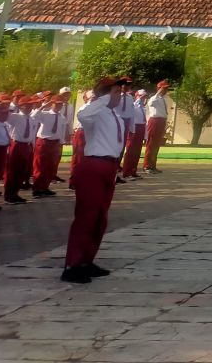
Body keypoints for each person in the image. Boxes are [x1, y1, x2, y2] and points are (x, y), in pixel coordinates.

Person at [63, 76, 126, 283]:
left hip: (109, 166)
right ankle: (72, 265)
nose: (120, 96)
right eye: (117, 92)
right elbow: (83, 115)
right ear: (105, 94)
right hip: (94, 164)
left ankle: (86, 260)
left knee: (100, 217)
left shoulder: (113, 114)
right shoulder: (95, 110)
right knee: (86, 216)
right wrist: (102, 97)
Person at [5, 93, 38, 204]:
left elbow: (33, 134)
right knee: (13, 171)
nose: (29, 107)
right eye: (26, 105)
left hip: (26, 146)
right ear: (20, 106)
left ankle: (15, 193)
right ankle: (9, 195)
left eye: (30, 105)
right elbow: (6, 115)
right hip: (16, 145)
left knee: (22, 171)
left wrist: (32, 146)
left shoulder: (32, 119)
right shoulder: (15, 116)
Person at [31, 93, 66, 197]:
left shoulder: (62, 117)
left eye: (61, 104)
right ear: (52, 104)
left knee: (50, 167)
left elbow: (61, 130)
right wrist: (44, 105)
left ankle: (45, 187)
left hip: (54, 143)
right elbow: (34, 116)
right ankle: (37, 188)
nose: (59, 106)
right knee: (40, 165)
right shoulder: (45, 114)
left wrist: (61, 142)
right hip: (44, 141)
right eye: (57, 104)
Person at [118, 79, 145, 180]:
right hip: (117, 121)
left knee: (122, 148)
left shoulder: (129, 98)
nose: (127, 86)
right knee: (115, 148)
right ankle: (116, 173)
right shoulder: (116, 95)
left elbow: (131, 113)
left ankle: (128, 172)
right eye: (125, 84)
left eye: (129, 84)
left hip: (126, 122)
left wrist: (132, 128)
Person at [143, 80, 170, 174]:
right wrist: (157, 93)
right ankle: (147, 166)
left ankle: (153, 165)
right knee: (151, 144)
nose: (166, 90)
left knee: (157, 145)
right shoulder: (154, 98)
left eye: (166, 88)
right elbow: (150, 104)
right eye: (164, 88)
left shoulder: (163, 99)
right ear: (159, 89)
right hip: (154, 121)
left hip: (161, 121)